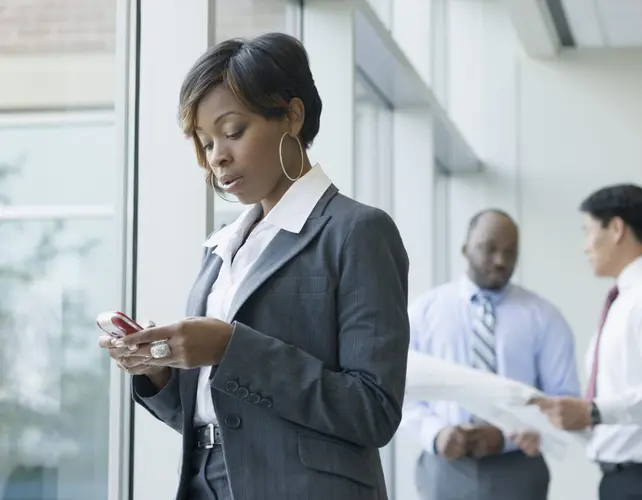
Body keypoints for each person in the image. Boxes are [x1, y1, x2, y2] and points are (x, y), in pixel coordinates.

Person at [97, 33, 410, 500]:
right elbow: (209, 411)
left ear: (292, 115)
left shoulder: (357, 231)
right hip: (208, 483)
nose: (216, 156)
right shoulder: (223, 247)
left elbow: (373, 411)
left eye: (233, 131)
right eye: (205, 142)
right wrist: (158, 370)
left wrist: (230, 347)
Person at [532, 184, 642, 500]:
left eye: (588, 231)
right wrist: (557, 424)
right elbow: (621, 407)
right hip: (629, 480)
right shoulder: (627, 297)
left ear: (616, 229)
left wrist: (593, 412)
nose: (584, 246)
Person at [402, 209, 580, 500]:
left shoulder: (544, 317)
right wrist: (436, 434)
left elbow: (563, 399)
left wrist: (505, 435)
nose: (501, 261)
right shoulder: (424, 312)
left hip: (517, 467)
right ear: (465, 248)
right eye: (490, 249)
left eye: (510, 252)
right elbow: (401, 392)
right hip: (444, 467)